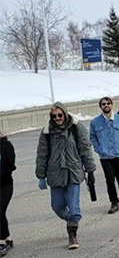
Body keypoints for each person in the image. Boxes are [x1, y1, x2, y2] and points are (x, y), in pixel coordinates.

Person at [35, 102, 96, 249]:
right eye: (54, 116)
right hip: (55, 174)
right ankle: (70, 220)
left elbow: (85, 149)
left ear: (65, 113)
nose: (57, 118)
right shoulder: (47, 132)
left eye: (60, 115)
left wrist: (90, 171)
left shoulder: (76, 128)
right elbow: (42, 154)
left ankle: (72, 234)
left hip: (73, 172)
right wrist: (41, 176)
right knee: (57, 206)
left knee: (73, 206)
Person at [89, 97, 119, 214]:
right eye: (103, 104)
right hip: (105, 157)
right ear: (100, 106)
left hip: (118, 154)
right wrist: (99, 149)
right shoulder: (95, 122)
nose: (106, 105)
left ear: (112, 105)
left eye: (108, 103)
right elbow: (92, 137)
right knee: (109, 179)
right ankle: (114, 202)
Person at [0, 129, 16, 257]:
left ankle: (1, 243)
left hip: (5, 185)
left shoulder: (6, 145)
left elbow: (10, 166)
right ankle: (7, 239)